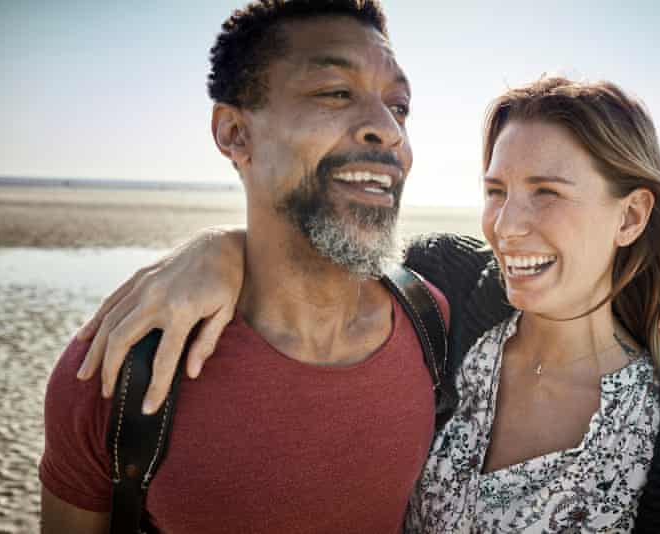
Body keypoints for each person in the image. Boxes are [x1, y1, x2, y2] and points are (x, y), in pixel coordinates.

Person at [79, 75, 660, 532]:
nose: (507, 225)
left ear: (631, 216)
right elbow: (313, 269)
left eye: (547, 193)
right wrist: (222, 250)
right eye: (497, 189)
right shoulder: (445, 291)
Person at [39, 2, 452, 532]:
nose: (387, 130)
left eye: (400, 106)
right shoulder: (120, 363)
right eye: (335, 92)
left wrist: (223, 244)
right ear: (234, 132)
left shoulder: (432, 322)